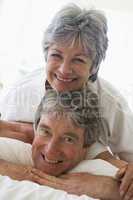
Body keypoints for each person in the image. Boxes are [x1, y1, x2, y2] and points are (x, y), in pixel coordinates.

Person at [0, 3, 133, 199]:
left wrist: (110, 186)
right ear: (46, 55)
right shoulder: (21, 92)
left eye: (78, 60)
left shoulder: (112, 106)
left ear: (94, 67)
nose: (64, 70)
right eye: (56, 55)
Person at [0, 89, 122, 200]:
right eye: (45, 131)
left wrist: (111, 189)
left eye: (68, 139)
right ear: (36, 128)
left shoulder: (102, 166)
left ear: (86, 145)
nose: (50, 151)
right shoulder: (17, 137)